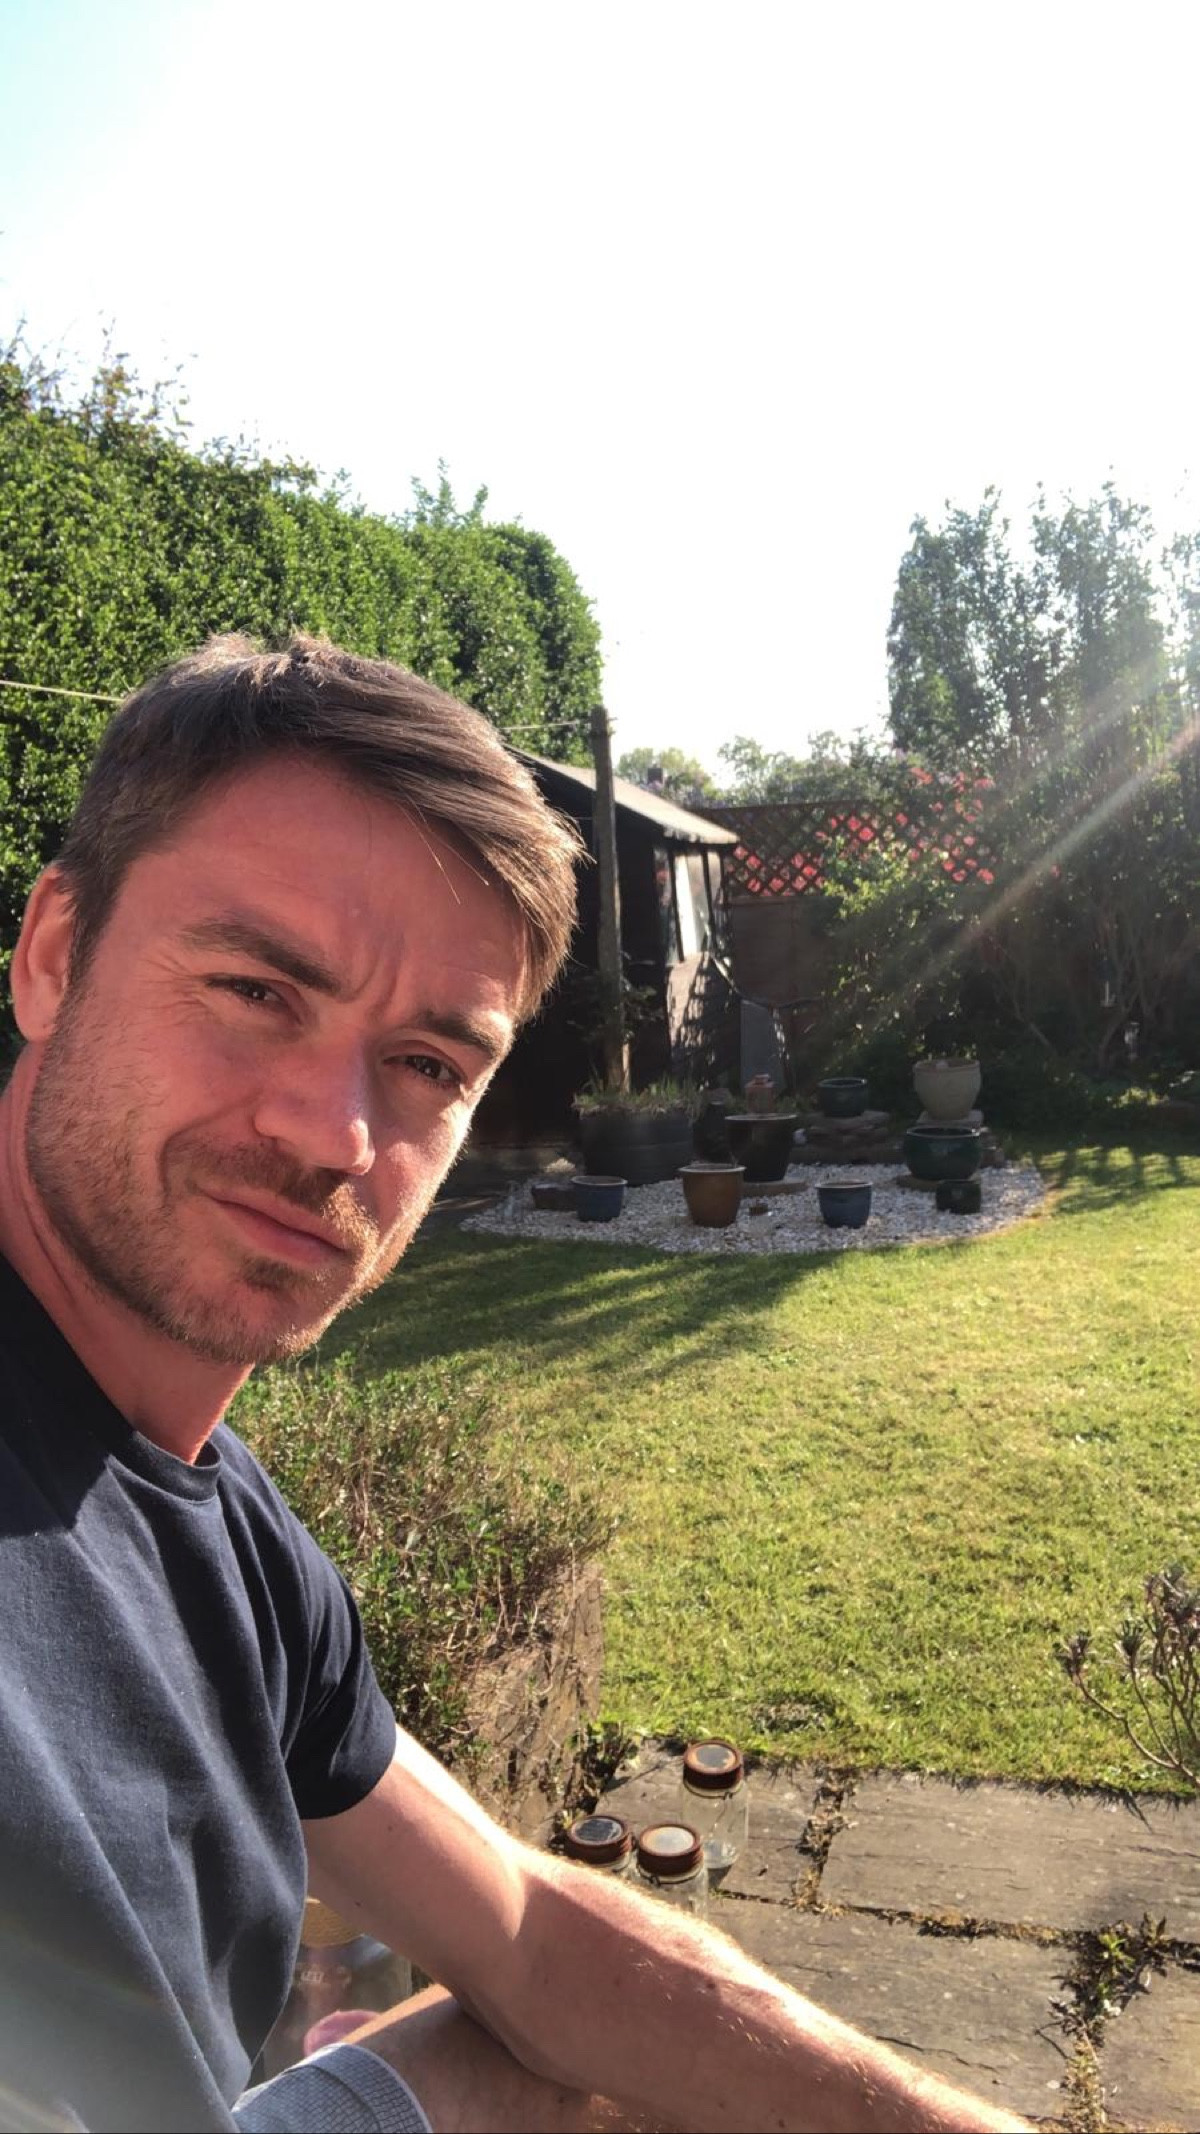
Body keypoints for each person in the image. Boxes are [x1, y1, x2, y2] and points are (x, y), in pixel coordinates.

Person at [0, 635, 1029, 2134]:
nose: (336, 1133)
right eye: (254, 987)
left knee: (545, 2040)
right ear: (52, 955)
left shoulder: (221, 1529)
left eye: (427, 1064)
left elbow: (529, 1932)